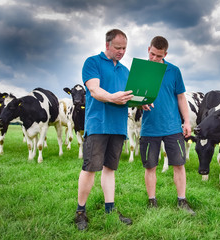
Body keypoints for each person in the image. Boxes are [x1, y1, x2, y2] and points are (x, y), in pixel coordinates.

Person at [74, 29, 134, 231]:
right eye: (118, 47)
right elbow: (94, 90)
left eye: (124, 48)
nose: (122, 51)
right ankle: (80, 211)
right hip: (98, 124)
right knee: (90, 168)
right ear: (107, 44)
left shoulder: (126, 71)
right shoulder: (92, 62)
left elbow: (130, 96)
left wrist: (141, 102)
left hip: (118, 126)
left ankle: (110, 209)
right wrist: (113, 98)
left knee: (110, 169)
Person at [139, 36, 195, 215]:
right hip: (149, 127)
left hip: (172, 127)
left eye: (158, 56)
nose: (154, 58)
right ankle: (152, 201)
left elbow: (181, 97)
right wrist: (140, 102)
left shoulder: (174, 71)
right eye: (152, 54)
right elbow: (133, 97)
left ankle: (182, 200)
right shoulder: (142, 70)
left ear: (165, 54)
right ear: (148, 49)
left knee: (179, 164)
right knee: (150, 166)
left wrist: (186, 121)